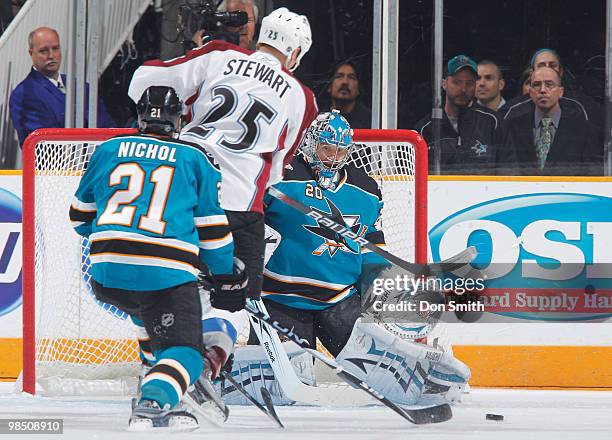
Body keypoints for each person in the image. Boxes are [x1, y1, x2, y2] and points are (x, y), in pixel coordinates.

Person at [225, 111, 470, 409]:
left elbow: (371, 244)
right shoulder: (281, 175)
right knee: (286, 393)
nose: (333, 157)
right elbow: (246, 218)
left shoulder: (365, 189)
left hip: (340, 302)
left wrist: (379, 286)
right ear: (311, 144)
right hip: (281, 300)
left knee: (385, 382)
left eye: (341, 150)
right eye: (327, 148)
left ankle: (427, 376)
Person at [69, 86, 247, 431]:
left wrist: (120, 234)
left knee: (149, 314)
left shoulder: (108, 149)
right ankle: (153, 400)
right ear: (178, 120)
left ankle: (155, 373)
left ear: (140, 117)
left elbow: (79, 219)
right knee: (186, 352)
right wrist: (226, 274)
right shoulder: (194, 158)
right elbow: (212, 232)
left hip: (106, 273)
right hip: (164, 274)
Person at [128, 7, 318, 331]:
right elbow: (275, 171)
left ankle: (166, 354)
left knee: (171, 281)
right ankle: (211, 361)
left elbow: (141, 83)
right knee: (234, 303)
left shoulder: (218, 55)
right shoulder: (302, 97)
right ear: (295, 51)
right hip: (238, 203)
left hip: (180, 184)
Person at [9, 27, 115, 146]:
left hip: (95, 161)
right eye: (43, 51)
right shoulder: (24, 94)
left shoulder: (82, 87)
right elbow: (42, 144)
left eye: (55, 48)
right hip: (58, 163)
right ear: (31, 53)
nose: (51, 55)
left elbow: (108, 128)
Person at [502, 67, 601, 175]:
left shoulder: (583, 131)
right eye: (537, 85)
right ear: (530, 92)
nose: (543, 90)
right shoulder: (512, 128)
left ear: (560, 92)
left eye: (549, 84)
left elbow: (592, 176)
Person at [416, 55, 504, 174]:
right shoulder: (425, 129)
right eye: (456, 82)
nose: (463, 89)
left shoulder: (493, 122)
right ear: (444, 83)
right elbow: (409, 177)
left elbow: (510, 172)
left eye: (470, 83)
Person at [323, 61, 371, 128]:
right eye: (339, 76)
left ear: (358, 89)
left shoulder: (371, 121)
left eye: (351, 77)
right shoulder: (319, 119)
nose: (345, 82)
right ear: (330, 86)